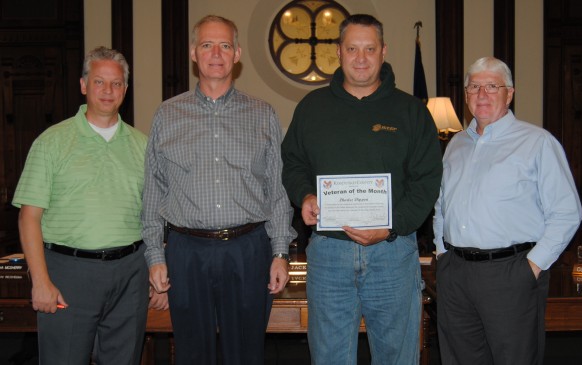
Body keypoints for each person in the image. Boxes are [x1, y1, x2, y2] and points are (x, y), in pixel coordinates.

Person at [281, 14, 442, 365]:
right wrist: (305, 195)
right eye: (352, 48)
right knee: (330, 357)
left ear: (383, 51)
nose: (361, 57)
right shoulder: (312, 108)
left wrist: (391, 225)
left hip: (393, 252)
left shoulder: (411, 111)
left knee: (397, 357)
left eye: (370, 48)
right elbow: (293, 163)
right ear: (338, 52)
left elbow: (427, 181)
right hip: (328, 254)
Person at [142, 15, 296, 365]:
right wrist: (155, 257)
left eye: (225, 45)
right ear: (194, 53)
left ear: (237, 53)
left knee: (246, 353)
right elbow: (153, 192)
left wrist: (280, 252)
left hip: (248, 250)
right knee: (193, 354)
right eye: (207, 45)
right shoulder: (167, 115)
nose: (216, 53)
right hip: (186, 252)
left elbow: (276, 191)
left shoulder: (262, 114)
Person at [12, 46, 167, 365]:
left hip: (130, 273)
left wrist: (157, 275)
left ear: (125, 88)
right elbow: (29, 217)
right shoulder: (51, 142)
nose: (108, 91)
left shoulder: (144, 146)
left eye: (116, 83)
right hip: (69, 273)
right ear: (83, 85)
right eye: (99, 82)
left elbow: (155, 217)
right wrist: (40, 280)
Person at [433, 56, 582, 365]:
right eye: (474, 87)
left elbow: (567, 212)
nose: (482, 94)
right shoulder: (456, 145)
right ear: (465, 94)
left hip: (510, 272)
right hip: (456, 273)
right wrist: (441, 253)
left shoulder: (537, 142)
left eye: (492, 86)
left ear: (509, 93)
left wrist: (532, 266)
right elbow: (442, 206)